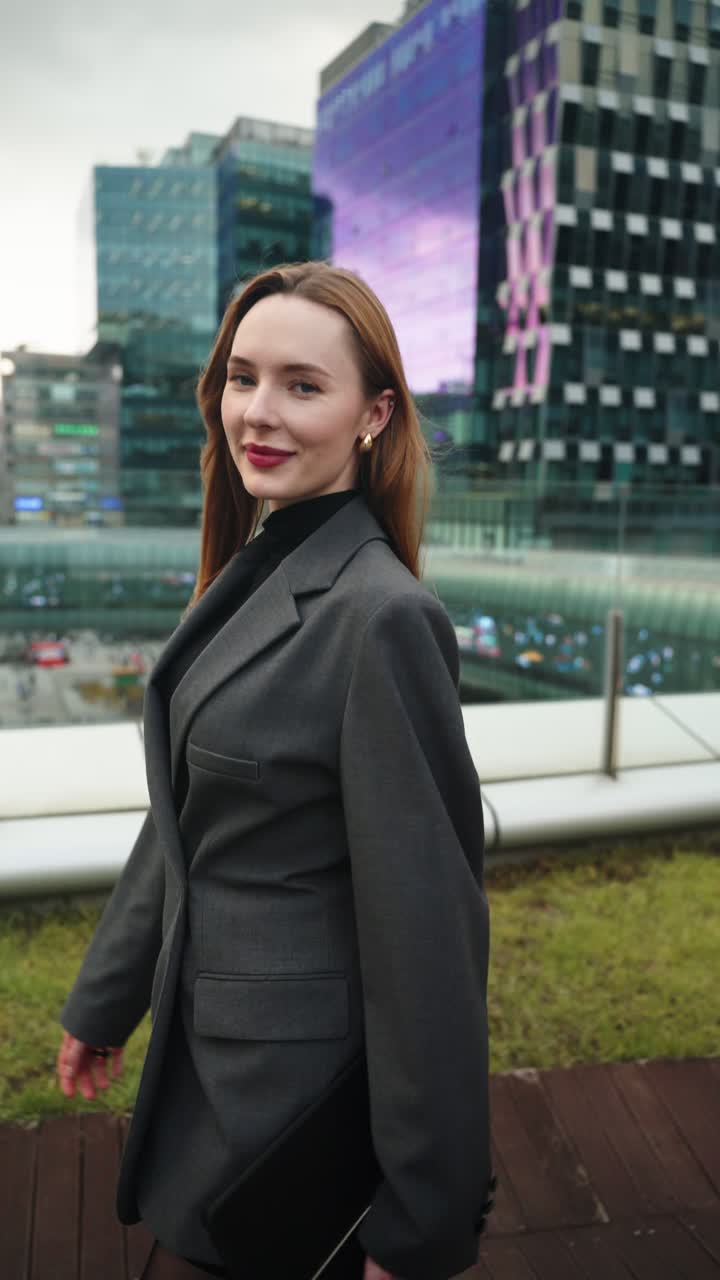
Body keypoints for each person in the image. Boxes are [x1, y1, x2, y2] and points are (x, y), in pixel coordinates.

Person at [57, 262, 494, 1280]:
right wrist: (104, 997)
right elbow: (190, 816)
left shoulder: (379, 617)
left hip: (289, 1106)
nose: (258, 411)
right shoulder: (259, 565)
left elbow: (427, 937)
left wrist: (423, 1216)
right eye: (242, 376)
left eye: (304, 384)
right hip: (210, 1064)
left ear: (373, 412)